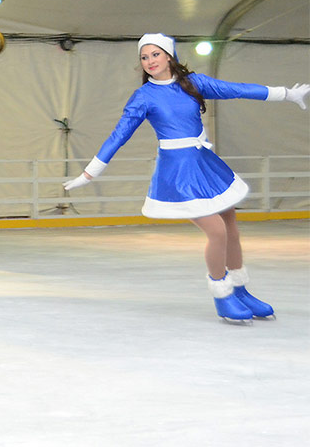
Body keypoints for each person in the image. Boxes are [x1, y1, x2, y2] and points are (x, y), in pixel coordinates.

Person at [63, 33, 309, 324]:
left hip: (205, 164)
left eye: (155, 54)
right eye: (144, 57)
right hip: (177, 172)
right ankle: (222, 294)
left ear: (169, 56)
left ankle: (240, 290)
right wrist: (90, 172)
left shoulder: (192, 84)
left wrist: (285, 94)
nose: (150, 61)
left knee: (230, 226)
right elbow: (119, 135)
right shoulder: (144, 97)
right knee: (216, 231)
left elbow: (237, 89)